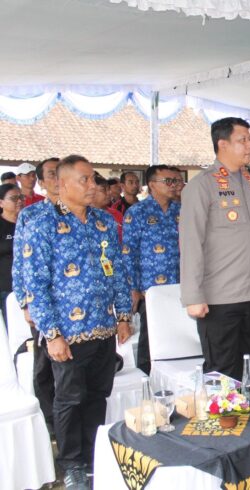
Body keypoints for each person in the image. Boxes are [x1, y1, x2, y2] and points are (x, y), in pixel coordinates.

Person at [24, 155, 132, 489]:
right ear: (62, 183)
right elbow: (35, 285)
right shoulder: (43, 224)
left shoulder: (103, 221)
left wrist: (123, 315)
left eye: (93, 179)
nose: (92, 185)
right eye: (84, 179)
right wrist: (51, 334)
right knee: (69, 399)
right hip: (67, 334)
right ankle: (72, 464)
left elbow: (116, 271)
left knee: (97, 395)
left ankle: (93, 456)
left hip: (103, 327)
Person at [180, 117, 250, 380]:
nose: (249, 146)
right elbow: (191, 242)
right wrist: (193, 296)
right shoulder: (202, 185)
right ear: (222, 144)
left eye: (249, 140)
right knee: (222, 373)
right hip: (219, 299)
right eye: (242, 140)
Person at [12, 157, 60, 434]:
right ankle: (50, 420)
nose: (58, 178)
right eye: (52, 174)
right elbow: (20, 262)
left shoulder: (80, 212)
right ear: (41, 182)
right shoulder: (30, 215)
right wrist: (25, 303)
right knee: (45, 364)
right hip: (43, 302)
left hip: (74, 306)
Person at [122, 165, 181, 375]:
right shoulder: (137, 212)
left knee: (177, 339)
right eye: (168, 181)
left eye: (176, 181)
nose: (173, 185)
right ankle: (147, 380)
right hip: (150, 290)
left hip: (179, 287)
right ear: (152, 185)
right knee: (151, 340)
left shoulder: (181, 211)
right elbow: (129, 253)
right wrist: (133, 288)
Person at [0, 184, 23, 325]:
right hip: (6, 289)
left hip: (29, 288)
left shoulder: (29, 222)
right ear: (1, 202)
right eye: (14, 198)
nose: (19, 201)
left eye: (21, 197)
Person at [93, 175, 124, 242]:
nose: (109, 193)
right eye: (103, 190)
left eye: (109, 189)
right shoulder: (84, 216)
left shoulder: (116, 214)